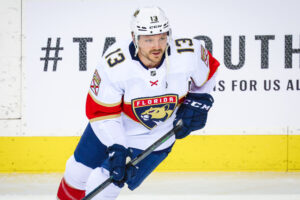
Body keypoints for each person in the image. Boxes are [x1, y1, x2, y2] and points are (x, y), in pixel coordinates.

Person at [57, 6, 220, 200]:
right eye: (149, 39)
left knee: (103, 184)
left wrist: (199, 99)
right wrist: (117, 146)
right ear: (135, 38)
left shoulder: (188, 54)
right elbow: (101, 113)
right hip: (114, 124)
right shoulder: (115, 65)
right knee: (77, 171)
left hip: (154, 135)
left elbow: (210, 70)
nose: (157, 46)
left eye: (162, 37)